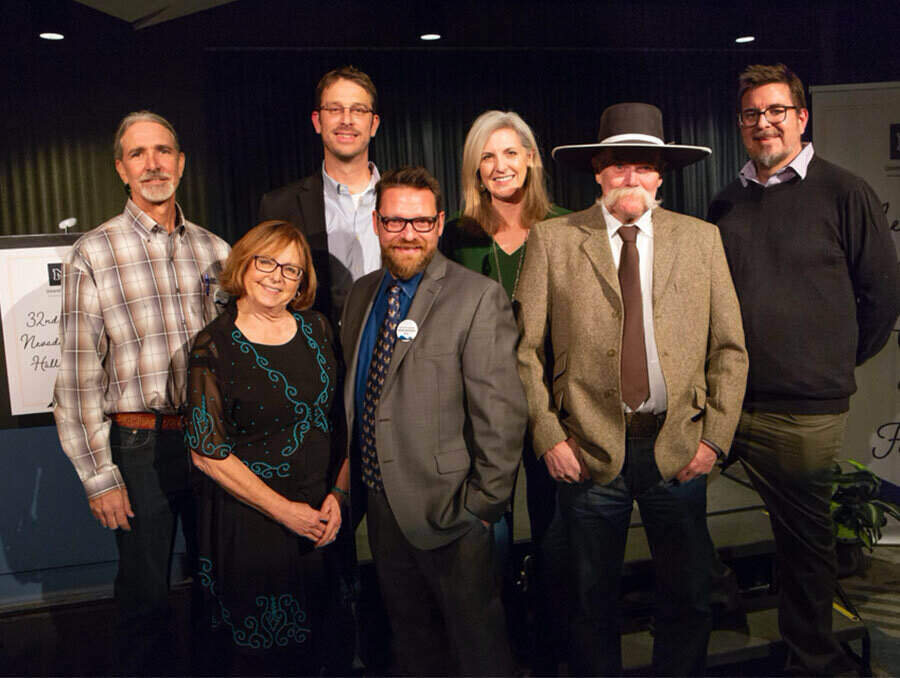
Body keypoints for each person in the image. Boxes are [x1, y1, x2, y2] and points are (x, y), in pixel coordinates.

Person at [517, 102, 748, 676]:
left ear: (661, 174)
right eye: (618, 165)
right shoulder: (552, 241)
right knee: (588, 601)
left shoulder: (702, 241)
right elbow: (522, 352)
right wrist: (549, 436)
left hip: (678, 449)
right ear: (597, 170)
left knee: (689, 598)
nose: (631, 178)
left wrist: (714, 441)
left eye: (643, 166)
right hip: (589, 450)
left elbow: (730, 350)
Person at [707, 63, 899, 676]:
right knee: (669, 498)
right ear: (740, 124)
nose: (763, 123)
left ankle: (813, 660)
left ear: (801, 117)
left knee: (804, 548)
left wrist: (832, 362)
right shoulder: (727, 199)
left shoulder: (846, 192)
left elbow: (883, 296)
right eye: (751, 114)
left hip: (802, 412)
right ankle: (716, 598)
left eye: (775, 111)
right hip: (729, 403)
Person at [53, 111, 231, 675]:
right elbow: (79, 376)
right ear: (121, 169)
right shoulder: (93, 252)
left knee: (218, 586)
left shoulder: (218, 252)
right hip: (138, 447)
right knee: (145, 598)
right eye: (138, 154)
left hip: (213, 445)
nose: (152, 164)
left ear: (181, 163)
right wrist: (97, 476)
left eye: (163, 151)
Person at [341, 166, 526, 675]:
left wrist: (484, 505)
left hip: (453, 510)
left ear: (439, 224)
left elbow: (502, 412)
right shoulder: (362, 294)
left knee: (477, 647)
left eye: (421, 222)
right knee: (413, 644)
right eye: (396, 222)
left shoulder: (475, 297)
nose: (408, 234)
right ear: (377, 224)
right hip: (381, 507)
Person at [184, 220, 348, 675]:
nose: (277, 276)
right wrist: (284, 511)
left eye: (291, 270)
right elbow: (206, 451)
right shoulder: (213, 344)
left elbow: (346, 422)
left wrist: (340, 496)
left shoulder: (318, 329)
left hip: (323, 518)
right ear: (244, 263)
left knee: (325, 652)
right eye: (267, 262)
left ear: (302, 282)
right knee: (263, 661)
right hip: (251, 524)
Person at [439, 109, 570, 671]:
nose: (500, 166)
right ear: (474, 168)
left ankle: (553, 652)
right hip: (480, 413)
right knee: (486, 546)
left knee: (558, 543)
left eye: (510, 152)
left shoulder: (567, 227)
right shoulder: (455, 237)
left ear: (532, 158)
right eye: (486, 156)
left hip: (555, 410)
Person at [259, 65, 382, 326]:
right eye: (335, 109)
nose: (346, 119)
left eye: (358, 110)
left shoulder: (404, 203)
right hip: (317, 356)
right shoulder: (279, 207)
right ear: (317, 121)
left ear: (373, 124)